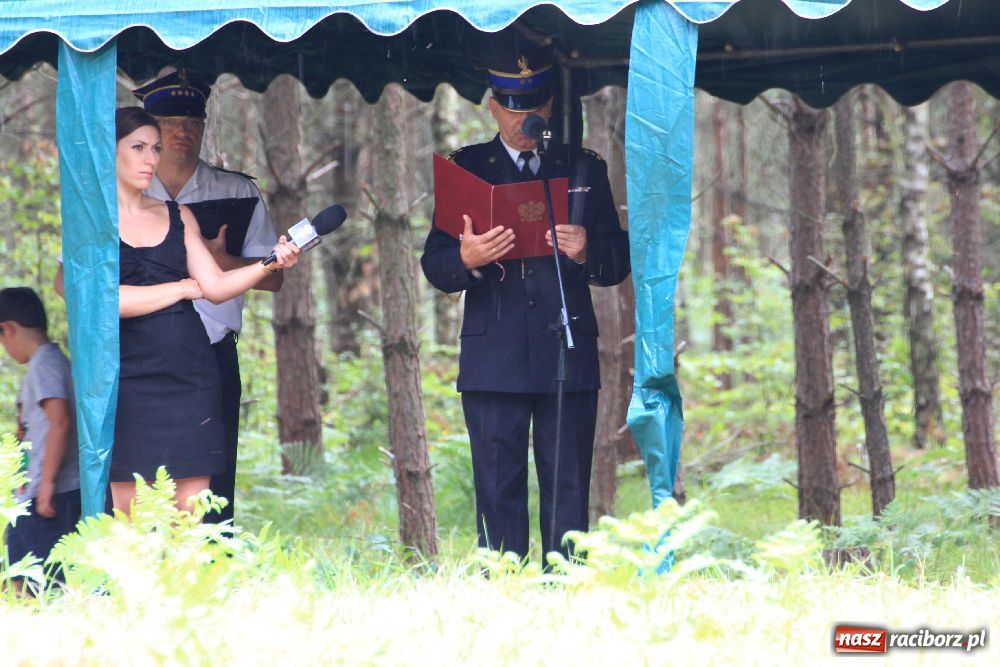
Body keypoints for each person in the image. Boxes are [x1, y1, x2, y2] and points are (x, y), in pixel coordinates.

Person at [420, 44, 630, 563]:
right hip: (495, 357)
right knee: (497, 487)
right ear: (492, 105)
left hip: (567, 351)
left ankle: (565, 585)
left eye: (534, 106)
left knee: (568, 488)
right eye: (513, 107)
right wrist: (466, 257)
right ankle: (502, 585)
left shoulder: (581, 166)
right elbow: (434, 264)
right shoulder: (467, 168)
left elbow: (618, 258)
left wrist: (587, 250)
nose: (525, 119)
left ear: (549, 109)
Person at [113, 106, 299, 514]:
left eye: (155, 149)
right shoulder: (92, 221)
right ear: (110, 151)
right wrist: (179, 288)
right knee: (130, 526)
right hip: (125, 379)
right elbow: (101, 303)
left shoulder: (179, 215)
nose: (150, 159)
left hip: (190, 376)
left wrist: (270, 262)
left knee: (190, 522)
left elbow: (214, 287)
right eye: (138, 147)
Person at [0, 287, 80, 581]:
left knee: (34, 581)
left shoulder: (45, 365)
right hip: (34, 494)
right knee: (18, 575)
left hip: (49, 495)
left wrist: (46, 485)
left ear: (7, 329)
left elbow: (60, 421)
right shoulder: (46, 363)